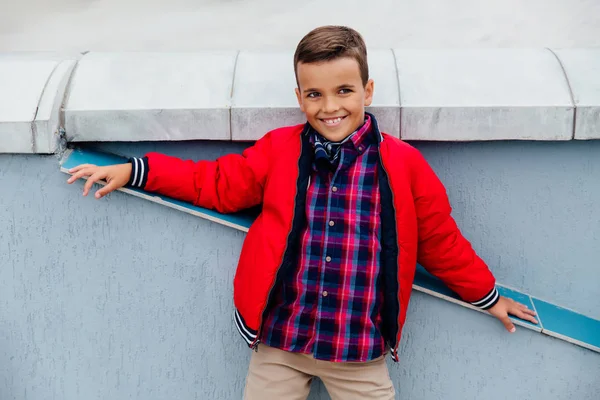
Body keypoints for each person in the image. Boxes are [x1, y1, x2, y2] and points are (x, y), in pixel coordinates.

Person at [67, 25, 538, 400]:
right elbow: (214, 184)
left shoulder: (403, 164)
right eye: (315, 94)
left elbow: (440, 241)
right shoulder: (279, 150)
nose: (330, 106)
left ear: (367, 91)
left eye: (344, 91)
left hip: (359, 353)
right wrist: (136, 170)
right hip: (279, 344)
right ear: (299, 97)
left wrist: (488, 296)